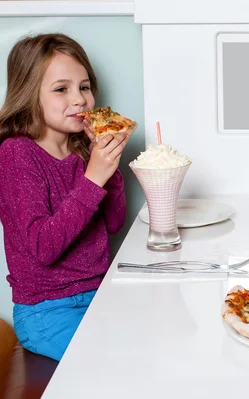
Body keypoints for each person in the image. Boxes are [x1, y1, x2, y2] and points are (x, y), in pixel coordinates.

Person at [0, 33, 134, 361]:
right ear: (30, 94)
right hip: (48, 312)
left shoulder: (81, 151)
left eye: (84, 87)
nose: (79, 100)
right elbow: (44, 248)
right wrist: (94, 177)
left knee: (152, 345)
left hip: (101, 295)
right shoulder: (17, 153)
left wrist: (107, 165)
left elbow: (115, 223)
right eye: (62, 89)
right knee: (114, 366)